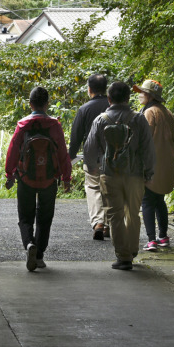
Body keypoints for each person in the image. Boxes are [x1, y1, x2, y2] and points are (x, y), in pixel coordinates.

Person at [83, 81, 155, 271]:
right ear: (128, 98)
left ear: (109, 99)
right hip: (135, 175)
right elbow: (148, 148)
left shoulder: (100, 120)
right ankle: (131, 251)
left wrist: (93, 168)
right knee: (132, 213)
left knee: (114, 215)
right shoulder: (139, 119)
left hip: (110, 174)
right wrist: (149, 172)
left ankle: (122, 257)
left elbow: (89, 149)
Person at [5, 86, 72, 271]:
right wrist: (66, 178)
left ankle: (29, 245)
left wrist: (9, 174)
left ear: (30, 104)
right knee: (45, 217)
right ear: (47, 104)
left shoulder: (22, 125)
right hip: (49, 180)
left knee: (25, 217)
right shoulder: (54, 125)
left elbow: (12, 151)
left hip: (25, 178)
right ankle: (40, 255)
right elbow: (62, 154)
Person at [133, 80, 174, 251]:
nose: (140, 94)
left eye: (142, 92)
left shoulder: (149, 113)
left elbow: (143, 141)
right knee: (160, 201)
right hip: (165, 166)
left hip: (150, 165)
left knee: (147, 201)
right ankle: (163, 236)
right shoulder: (167, 112)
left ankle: (151, 240)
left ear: (149, 95)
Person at [68, 74, 111, 240]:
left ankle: (99, 222)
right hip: (113, 156)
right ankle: (107, 225)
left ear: (89, 89)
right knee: (109, 188)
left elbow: (76, 137)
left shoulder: (84, 109)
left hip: (92, 156)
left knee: (94, 188)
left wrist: (69, 158)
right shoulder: (113, 106)